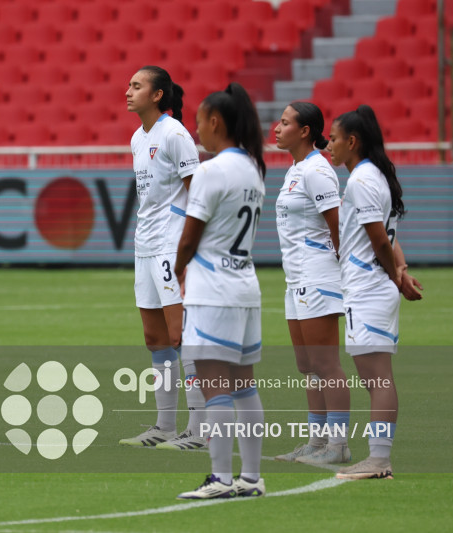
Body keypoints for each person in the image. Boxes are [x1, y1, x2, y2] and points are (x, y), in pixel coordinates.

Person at [175, 83, 267, 499]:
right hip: (245, 286)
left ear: (216, 121)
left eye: (199, 122)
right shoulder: (253, 167)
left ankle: (220, 478)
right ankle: (251, 477)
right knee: (245, 386)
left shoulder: (210, 170)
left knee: (215, 388)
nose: (196, 131)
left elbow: (191, 236)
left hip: (212, 290)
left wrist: (177, 272)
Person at [326, 104, 423, 479]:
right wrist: (401, 269)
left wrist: (397, 277)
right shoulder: (376, 176)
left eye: (334, 139)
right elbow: (390, 239)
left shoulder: (361, 181)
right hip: (369, 287)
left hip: (368, 288)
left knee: (378, 378)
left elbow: (380, 240)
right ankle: (377, 457)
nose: (329, 145)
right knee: (375, 377)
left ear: (352, 141)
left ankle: (379, 459)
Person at [120, 65, 206, 451]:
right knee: (156, 339)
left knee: (181, 336)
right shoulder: (139, 137)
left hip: (172, 246)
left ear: (157, 95)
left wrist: (192, 247)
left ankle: (200, 431)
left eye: (137, 86)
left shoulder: (175, 134)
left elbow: (199, 195)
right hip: (146, 246)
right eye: (129, 85)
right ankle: (165, 427)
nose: (128, 91)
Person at [272, 102, 351, 465]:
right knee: (307, 366)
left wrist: (344, 273)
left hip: (317, 276)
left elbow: (338, 228)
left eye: (285, 122)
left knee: (326, 364)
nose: (277, 127)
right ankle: (316, 441)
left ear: (305, 131)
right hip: (296, 279)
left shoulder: (318, 170)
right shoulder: (296, 169)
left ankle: (338, 445)